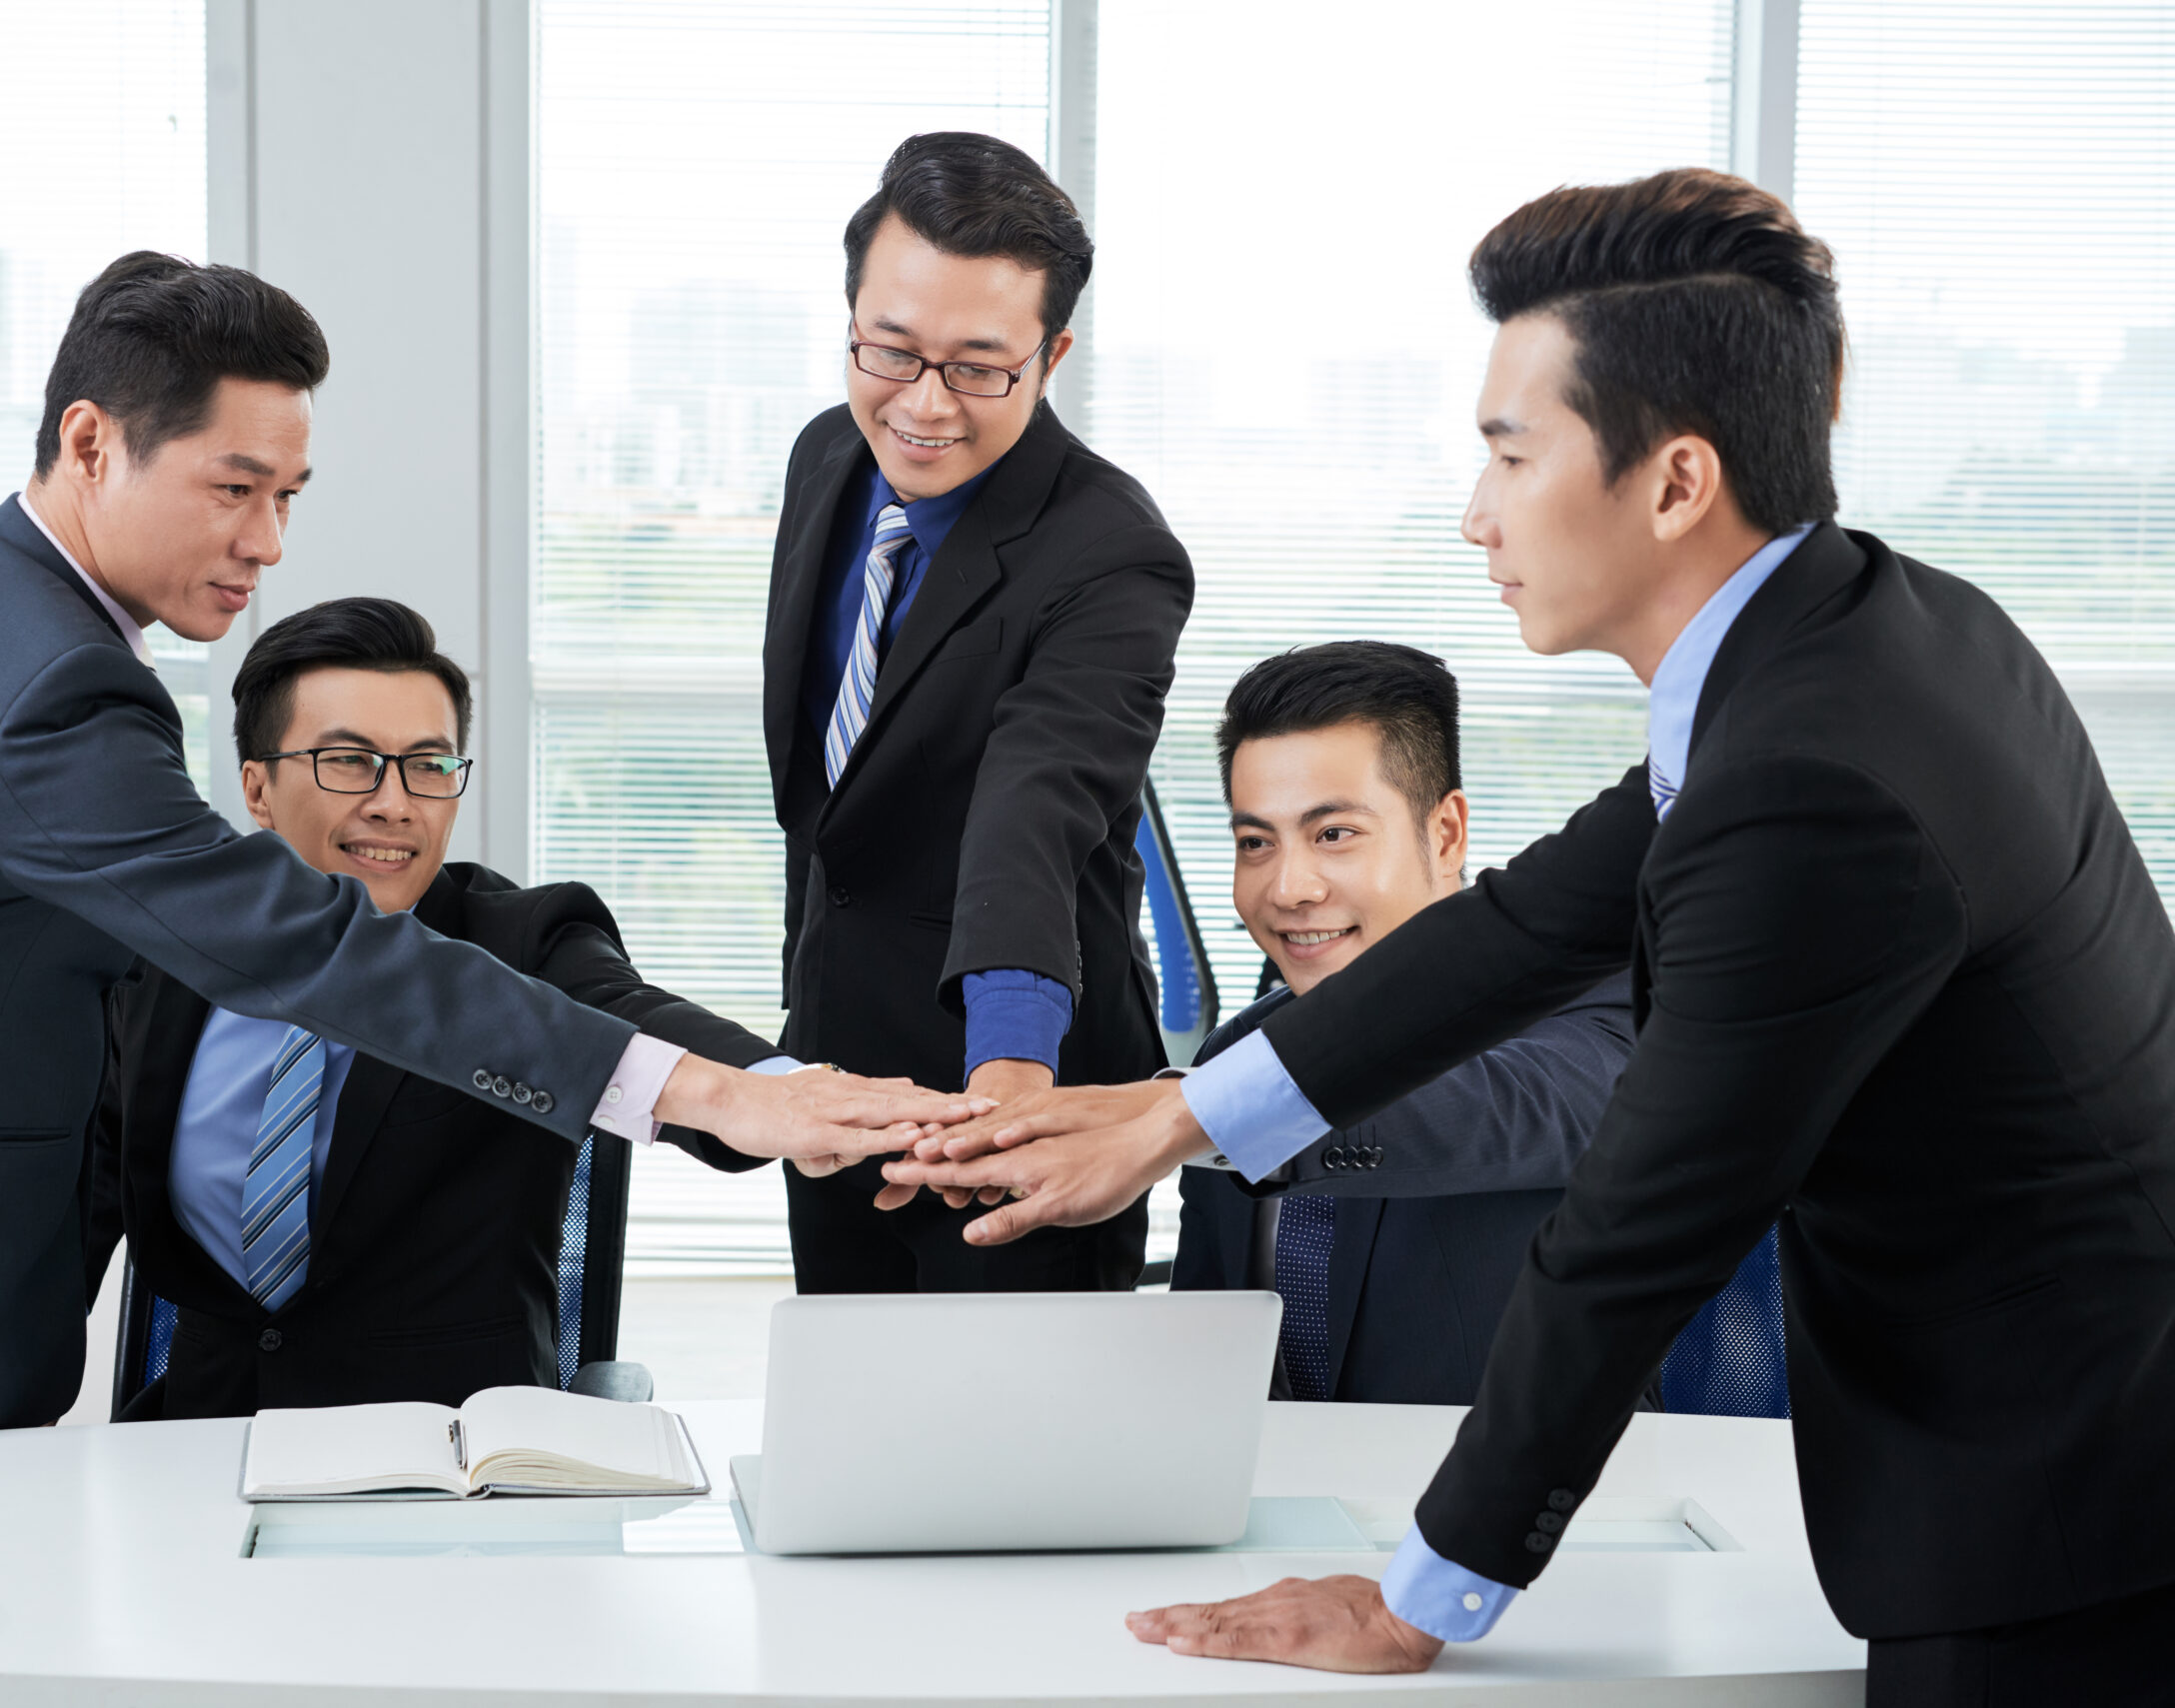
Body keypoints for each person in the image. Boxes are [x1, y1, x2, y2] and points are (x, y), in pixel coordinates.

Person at [886, 169, 2175, 1702]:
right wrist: (1178, 1115)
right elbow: (1524, 926)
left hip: (2066, 1526)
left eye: (1509, 453)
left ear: (1675, 481)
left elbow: (1639, 1231)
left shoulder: (1814, 778)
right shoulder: (1865, 632)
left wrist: (1421, 1598)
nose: (1476, 511)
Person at [0, 253, 969, 1462]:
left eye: (289, 495)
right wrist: (715, 1099)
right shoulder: (57, 691)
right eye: (234, 489)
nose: (266, 544)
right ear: (92, 442)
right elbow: (302, 942)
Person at [94, 597, 801, 1417]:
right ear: (257, 787)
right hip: (201, 1458)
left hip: (457, 1475)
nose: (397, 803)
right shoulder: (163, 958)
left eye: (428, 765)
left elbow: (629, 1014)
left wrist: (786, 1089)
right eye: (350, 761)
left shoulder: (523, 941)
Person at [766, 132, 1191, 1292]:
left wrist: (1008, 1065)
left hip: (1026, 1088)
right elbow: (835, 778)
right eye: (889, 350)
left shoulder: (1113, 552)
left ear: (1050, 355)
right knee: (855, 1425)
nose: (923, 406)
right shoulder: (827, 458)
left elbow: (1037, 799)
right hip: (841, 1072)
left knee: (1027, 1462)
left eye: (978, 367)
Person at [1172, 643, 1632, 1406]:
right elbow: (1193, 1373)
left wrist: (1186, 1112)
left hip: (1538, 1515)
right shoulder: (1234, 1058)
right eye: (1256, 842)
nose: (1289, 888)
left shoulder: (1593, 1004)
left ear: (1446, 833)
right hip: (1273, 1513)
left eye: (1333, 834)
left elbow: (1495, 1110)